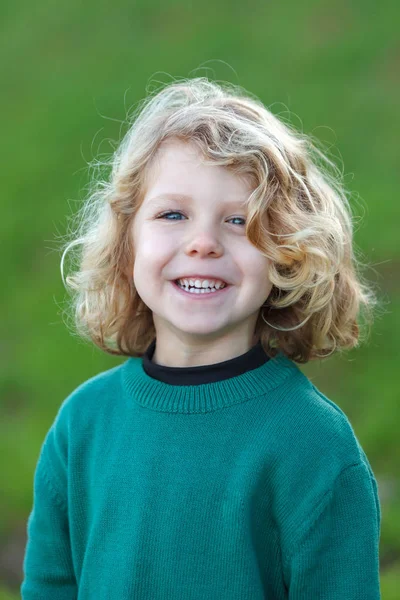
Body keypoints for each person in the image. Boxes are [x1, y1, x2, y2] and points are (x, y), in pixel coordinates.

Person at [21, 77, 382, 599]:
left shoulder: (315, 446)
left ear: (288, 254)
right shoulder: (83, 425)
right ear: (127, 244)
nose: (203, 244)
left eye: (240, 221)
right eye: (173, 214)